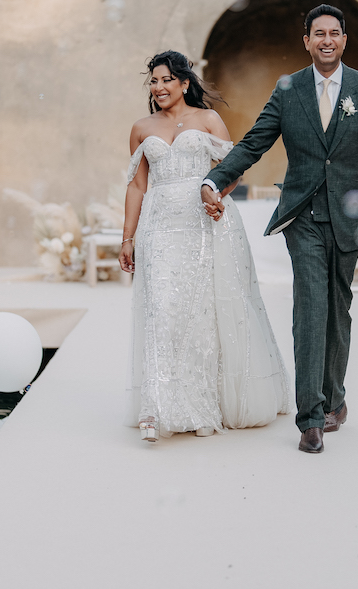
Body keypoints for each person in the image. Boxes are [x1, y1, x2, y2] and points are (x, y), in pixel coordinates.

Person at [200, 4, 358, 455]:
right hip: (303, 215)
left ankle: (336, 398)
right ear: (306, 42)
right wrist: (215, 179)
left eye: (334, 33)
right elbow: (255, 141)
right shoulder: (288, 90)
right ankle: (310, 416)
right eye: (318, 34)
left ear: (343, 41)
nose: (326, 40)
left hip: (350, 220)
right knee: (310, 306)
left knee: (338, 309)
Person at [120, 50, 291, 442]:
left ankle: (200, 406)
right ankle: (156, 408)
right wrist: (127, 237)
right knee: (160, 310)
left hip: (203, 225)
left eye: (166, 80)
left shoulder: (208, 119)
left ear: (184, 83)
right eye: (153, 81)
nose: (159, 87)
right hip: (159, 227)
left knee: (200, 314)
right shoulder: (141, 127)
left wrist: (215, 197)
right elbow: (137, 184)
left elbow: (227, 171)